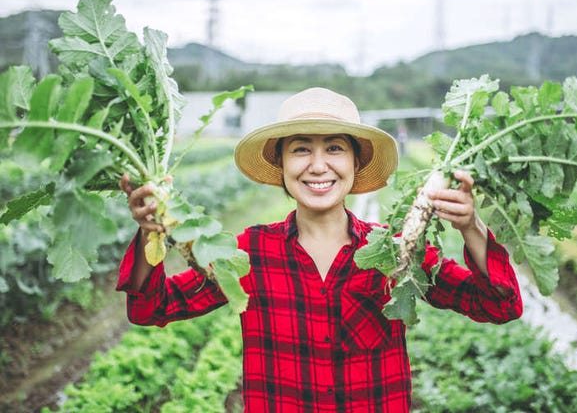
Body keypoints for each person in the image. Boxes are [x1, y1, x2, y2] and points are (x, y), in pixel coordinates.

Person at [117, 87, 523, 412]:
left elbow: (499, 305)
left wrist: (471, 225)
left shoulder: (397, 252)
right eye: (300, 149)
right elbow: (150, 307)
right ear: (281, 165)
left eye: (333, 148)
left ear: (354, 163)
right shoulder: (249, 254)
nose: (317, 165)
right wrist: (147, 231)